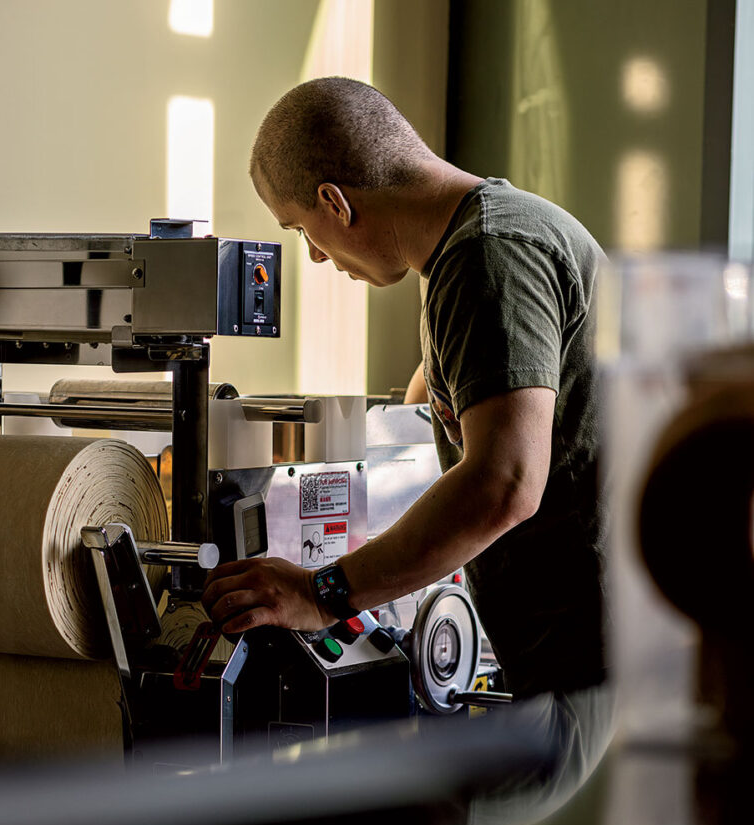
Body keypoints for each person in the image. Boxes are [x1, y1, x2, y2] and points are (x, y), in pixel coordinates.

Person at [203, 76, 607, 701]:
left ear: (334, 202)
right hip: (570, 658)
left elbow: (505, 484)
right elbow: (438, 405)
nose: (313, 256)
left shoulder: (490, 257)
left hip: (595, 671)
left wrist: (319, 593)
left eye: (300, 229)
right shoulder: (472, 249)